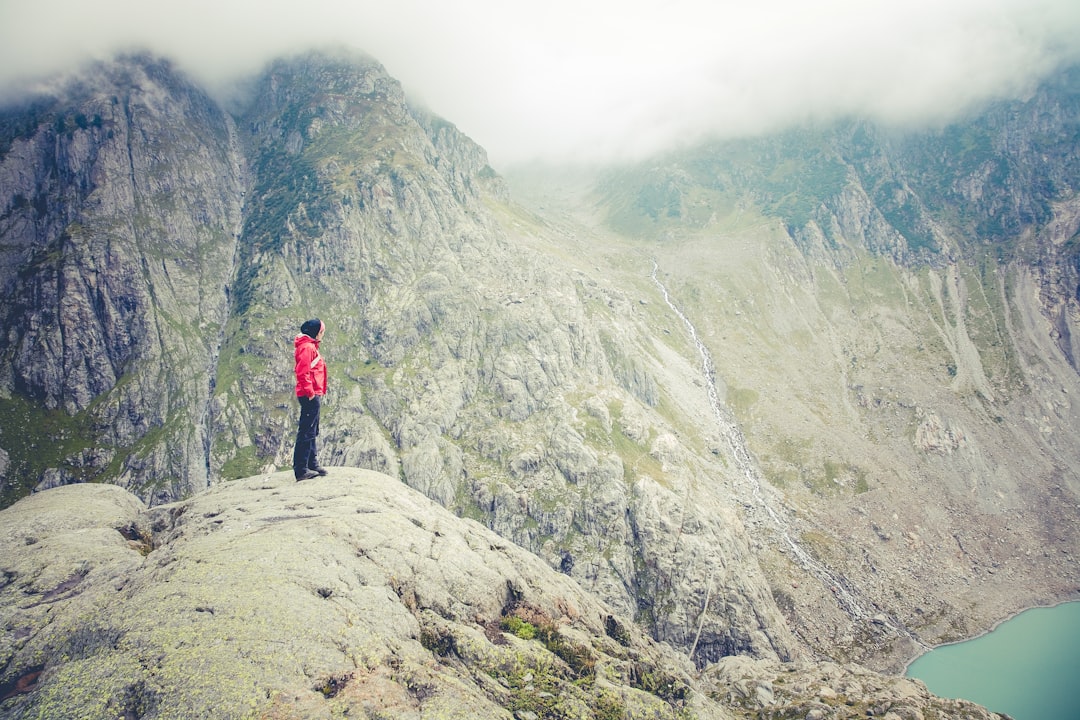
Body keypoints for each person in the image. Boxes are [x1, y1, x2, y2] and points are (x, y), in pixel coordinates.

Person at [293, 318, 328, 480]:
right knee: (306, 431)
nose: (322, 335)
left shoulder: (310, 346)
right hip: (310, 395)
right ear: (315, 332)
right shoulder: (307, 348)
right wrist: (311, 393)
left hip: (313, 393)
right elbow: (302, 372)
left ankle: (312, 463)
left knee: (312, 429)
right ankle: (301, 469)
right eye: (321, 332)